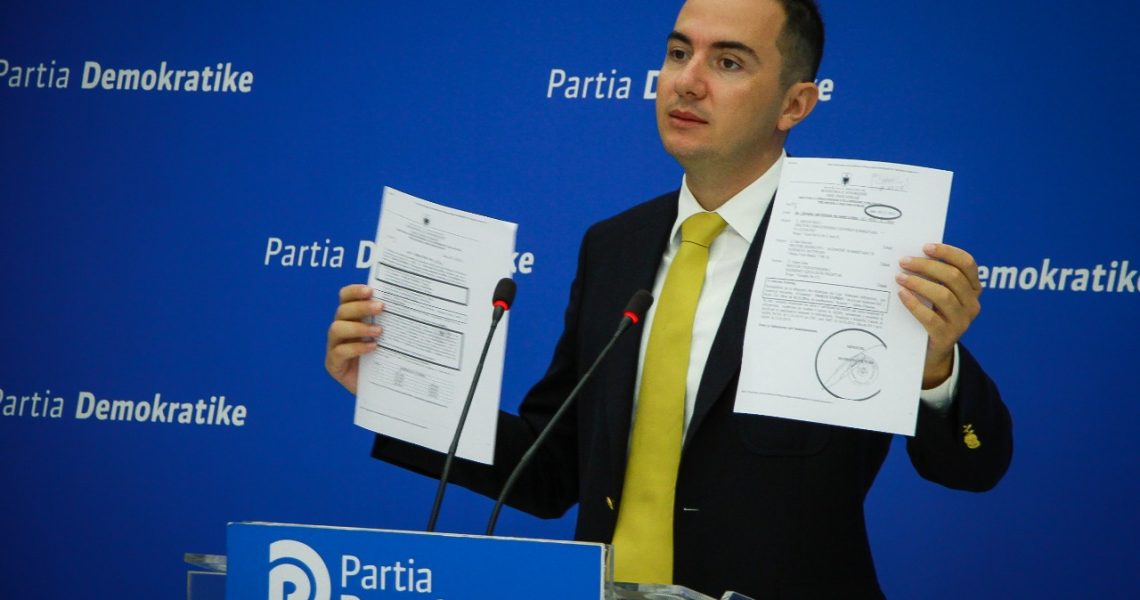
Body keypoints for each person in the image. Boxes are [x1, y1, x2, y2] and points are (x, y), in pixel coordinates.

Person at [325, 0, 1013, 597]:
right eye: (679, 52)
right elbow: (550, 470)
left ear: (795, 104)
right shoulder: (614, 246)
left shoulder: (863, 251)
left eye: (729, 62)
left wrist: (935, 370)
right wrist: (401, 392)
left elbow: (973, 465)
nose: (687, 80)